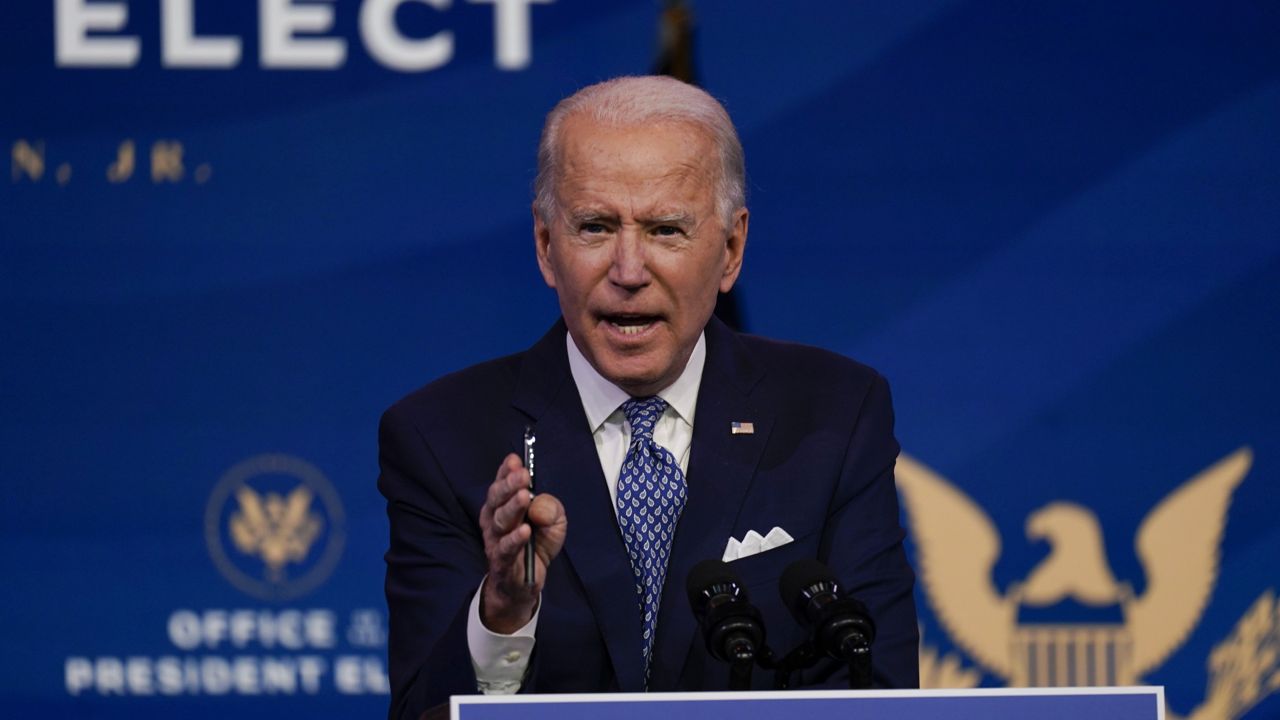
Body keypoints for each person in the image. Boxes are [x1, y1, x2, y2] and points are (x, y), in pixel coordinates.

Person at [378, 75, 918, 720]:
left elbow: (877, 686)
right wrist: (502, 614)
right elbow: (424, 713)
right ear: (547, 246)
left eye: (665, 230)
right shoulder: (441, 437)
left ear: (731, 250)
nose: (629, 271)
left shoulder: (833, 413)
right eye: (595, 227)